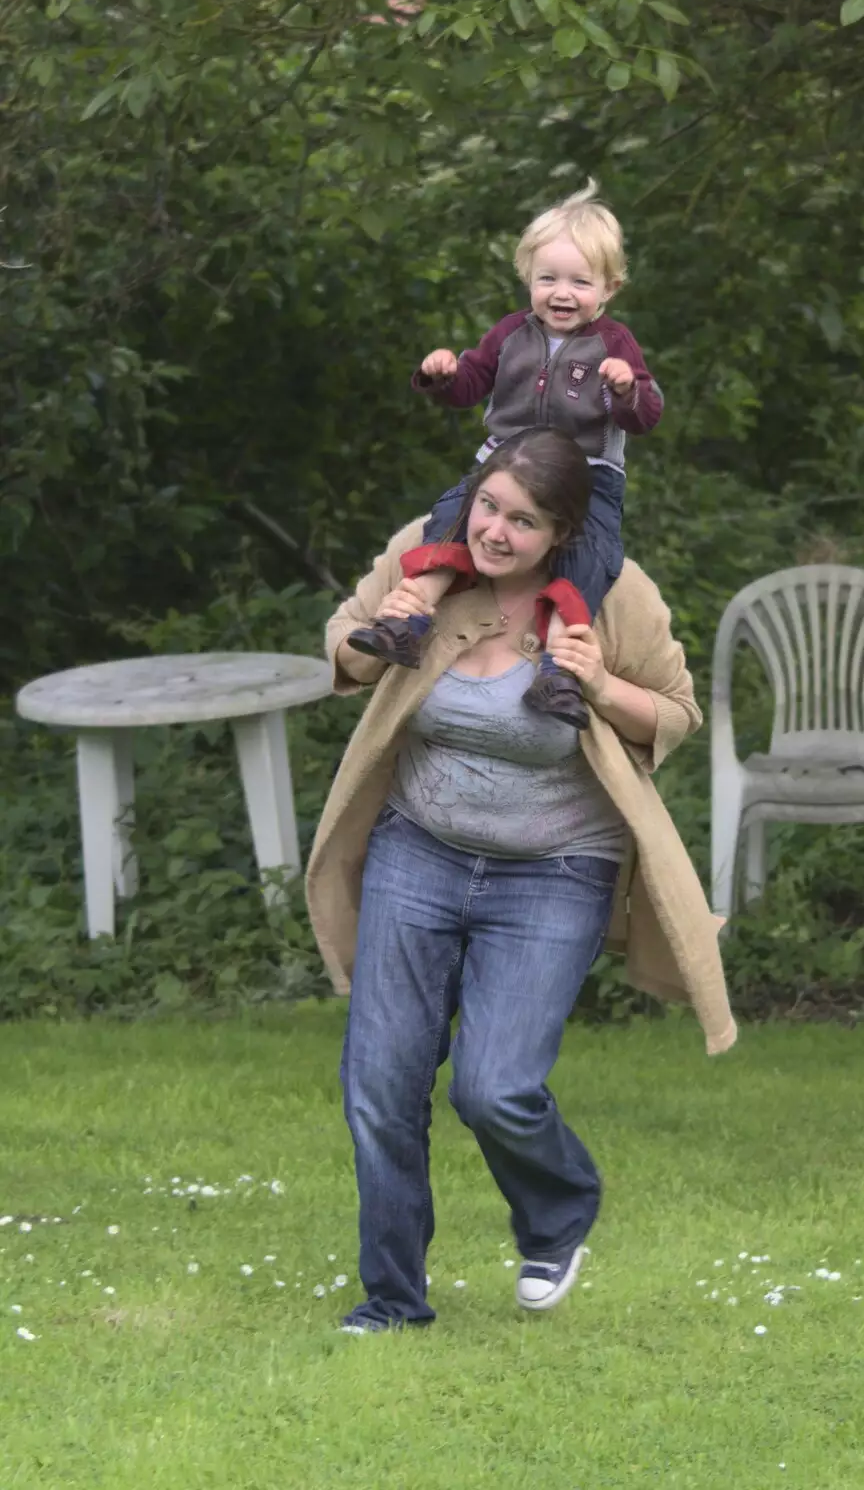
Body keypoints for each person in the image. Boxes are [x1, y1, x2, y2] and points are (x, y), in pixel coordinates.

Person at [305, 429, 736, 1336]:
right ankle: (392, 1300)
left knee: (493, 1087)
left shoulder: (615, 595)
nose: (495, 532)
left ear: (563, 530)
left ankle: (559, 1208)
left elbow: (678, 712)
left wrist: (599, 685)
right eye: (488, 507)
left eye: (523, 521)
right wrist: (377, 637)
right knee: (380, 1085)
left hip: (553, 871)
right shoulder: (427, 553)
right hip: (417, 850)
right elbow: (346, 637)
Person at [346, 181, 663, 732]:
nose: (562, 293)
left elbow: (646, 416)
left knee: (590, 552)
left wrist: (627, 391)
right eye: (548, 279)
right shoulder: (511, 335)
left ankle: (560, 666)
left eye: (579, 282)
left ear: (608, 289)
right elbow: (470, 385)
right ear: (529, 279)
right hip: (505, 463)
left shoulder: (614, 346)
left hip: (584, 475)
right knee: (452, 516)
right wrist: (441, 375)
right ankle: (412, 615)